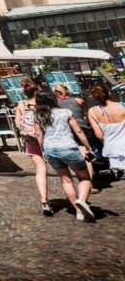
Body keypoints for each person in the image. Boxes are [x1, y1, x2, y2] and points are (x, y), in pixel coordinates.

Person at [34, 91, 97, 222]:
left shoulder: (38, 116)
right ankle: (82, 201)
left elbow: (39, 135)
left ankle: (79, 211)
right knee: (84, 177)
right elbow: (78, 131)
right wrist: (88, 147)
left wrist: (43, 150)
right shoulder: (65, 112)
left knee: (66, 180)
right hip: (68, 148)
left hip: (51, 150)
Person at [15, 81, 50, 215]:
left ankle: (44, 201)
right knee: (63, 171)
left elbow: (18, 124)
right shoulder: (44, 104)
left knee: (40, 170)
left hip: (31, 140)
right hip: (48, 139)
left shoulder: (21, 105)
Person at [54, 83, 99, 179]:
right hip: (83, 128)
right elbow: (88, 115)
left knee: (76, 157)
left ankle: (85, 181)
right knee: (87, 156)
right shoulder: (79, 100)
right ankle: (89, 181)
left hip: (67, 131)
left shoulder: (56, 104)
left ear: (56, 92)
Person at [88, 83, 125, 179]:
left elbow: (99, 135)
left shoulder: (92, 111)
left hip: (112, 149)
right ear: (109, 92)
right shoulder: (122, 106)